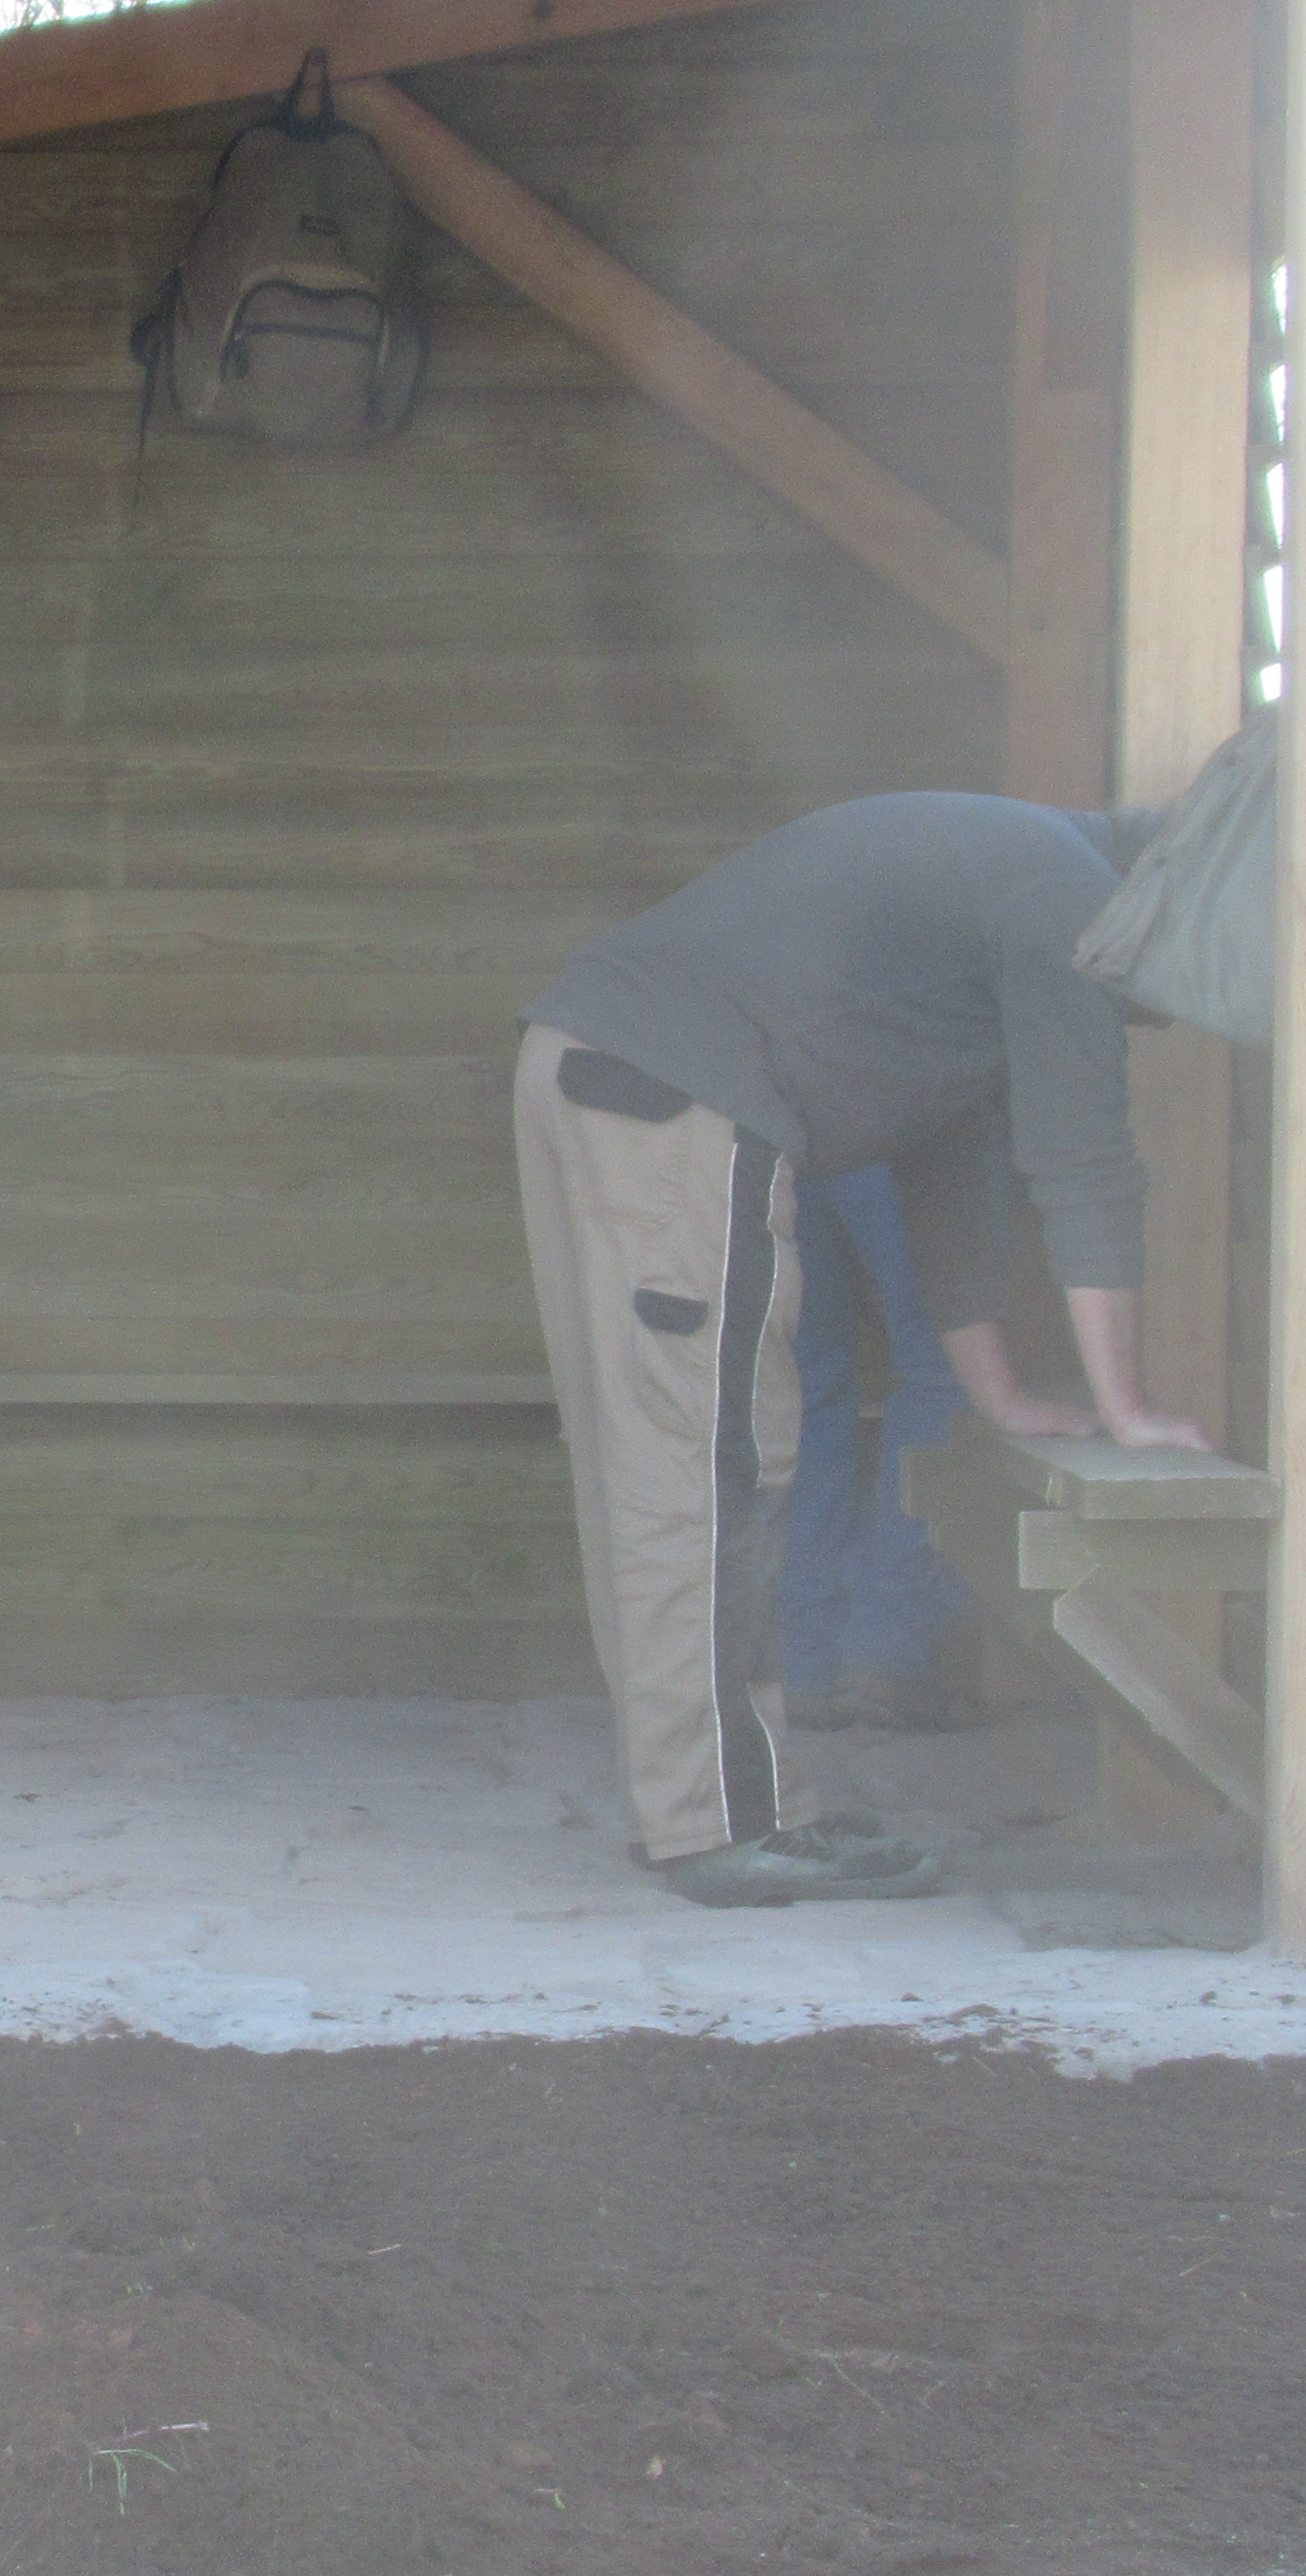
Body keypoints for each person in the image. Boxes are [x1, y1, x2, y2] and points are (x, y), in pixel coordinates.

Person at [513, 790, 1208, 1910]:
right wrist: (1126, 1407)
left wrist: (1000, 1395)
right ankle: (719, 1823)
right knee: (715, 1465)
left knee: (665, 1458)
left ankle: (705, 1801)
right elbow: (1084, 1163)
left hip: (605, 1064)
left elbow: (945, 1176)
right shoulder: (1075, 901)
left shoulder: (1001, 887)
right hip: (681, 1095)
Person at [777, 1163, 972, 1734]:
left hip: (783, 1133)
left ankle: (805, 1660)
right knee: (952, 1359)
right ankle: (887, 1652)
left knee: (804, 1379)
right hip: (902, 1133)